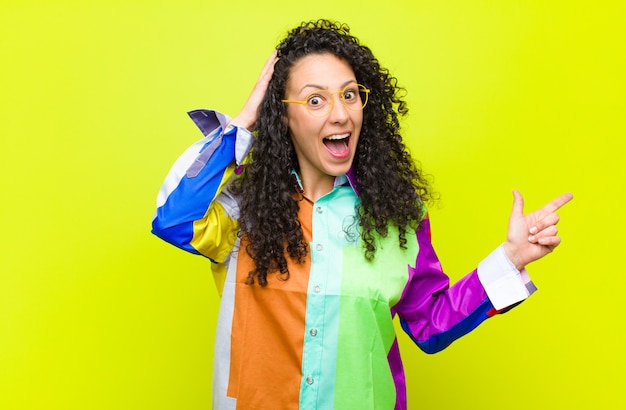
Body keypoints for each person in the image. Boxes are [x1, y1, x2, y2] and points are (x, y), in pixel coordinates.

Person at [152, 19, 572, 410]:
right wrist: (244, 123)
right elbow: (173, 220)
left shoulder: (396, 216)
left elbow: (430, 323)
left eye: (349, 94)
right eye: (315, 99)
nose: (340, 113)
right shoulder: (242, 207)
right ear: (282, 115)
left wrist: (510, 260)